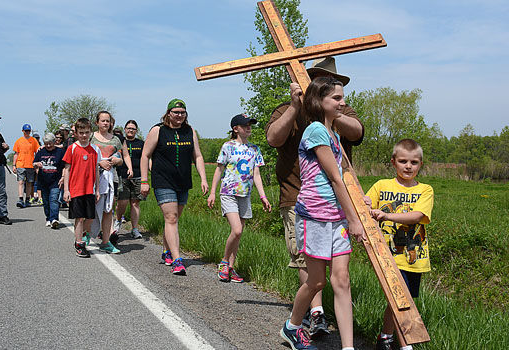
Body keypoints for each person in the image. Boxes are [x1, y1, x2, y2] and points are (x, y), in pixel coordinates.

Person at [265, 56, 364, 335]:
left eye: (333, 83)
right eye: (318, 78)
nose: (328, 85)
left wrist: (331, 112)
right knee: (308, 266)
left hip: (337, 201)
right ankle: (315, 314)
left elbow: (356, 133)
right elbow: (273, 138)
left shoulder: (339, 110)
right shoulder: (289, 109)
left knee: (336, 273)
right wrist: (297, 107)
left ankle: (330, 329)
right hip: (300, 198)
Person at [363, 139, 433, 350]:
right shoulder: (381, 186)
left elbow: (417, 216)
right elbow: (365, 204)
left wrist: (386, 215)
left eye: (413, 162)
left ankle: (385, 336)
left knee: (404, 299)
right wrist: (366, 204)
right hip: (387, 254)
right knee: (399, 299)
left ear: (421, 164)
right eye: (403, 161)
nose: (408, 166)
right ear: (393, 162)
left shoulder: (425, 190)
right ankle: (405, 344)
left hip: (413, 255)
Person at [140, 98, 208, 275]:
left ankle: (166, 250)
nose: (179, 115)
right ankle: (178, 260)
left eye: (182, 112)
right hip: (163, 180)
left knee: (174, 219)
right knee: (171, 218)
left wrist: (203, 179)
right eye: (176, 112)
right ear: (168, 113)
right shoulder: (158, 130)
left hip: (183, 181)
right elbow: (145, 156)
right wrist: (144, 181)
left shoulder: (189, 131)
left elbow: (198, 156)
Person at [207, 113, 271, 283]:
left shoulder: (255, 149)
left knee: (239, 234)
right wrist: (213, 192)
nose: (249, 127)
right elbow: (219, 170)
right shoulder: (227, 147)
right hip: (228, 193)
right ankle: (224, 263)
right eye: (245, 125)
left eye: (250, 124)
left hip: (245, 195)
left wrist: (263, 196)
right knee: (236, 230)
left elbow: (256, 174)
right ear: (235, 129)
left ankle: (231, 267)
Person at [88, 111, 132, 254]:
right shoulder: (90, 137)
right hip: (92, 177)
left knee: (108, 210)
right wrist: (98, 162)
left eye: (108, 121)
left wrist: (118, 161)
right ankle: (86, 233)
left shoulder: (116, 139)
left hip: (111, 178)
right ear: (97, 122)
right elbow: (84, 154)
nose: (105, 123)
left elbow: (123, 156)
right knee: (90, 208)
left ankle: (105, 241)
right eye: (103, 121)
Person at [62, 117, 101, 258]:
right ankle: (79, 243)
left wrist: (97, 189)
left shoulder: (95, 149)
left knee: (90, 218)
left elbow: (96, 170)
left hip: (90, 189)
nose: (84, 135)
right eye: (81, 132)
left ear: (91, 132)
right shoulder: (72, 149)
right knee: (79, 218)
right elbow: (67, 169)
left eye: (86, 132)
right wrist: (66, 190)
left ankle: (82, 233)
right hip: (76, 189)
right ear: (76, 133)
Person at [114, 120, 146, 239]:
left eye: (133, 128)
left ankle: (135, 228)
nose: (130, 130)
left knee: (135, 202)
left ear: (136, 130)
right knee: (122, 202)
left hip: (138, 176)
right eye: (128, 128)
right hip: (122, 175)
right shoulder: (120, 142)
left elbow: (146, 159)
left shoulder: (141, 143)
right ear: (124, 129)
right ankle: (117, 221)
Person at [33, 133, 65, 229]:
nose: (48, 146)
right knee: (46, 201)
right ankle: (48, 218)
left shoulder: (60, 152)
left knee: (54, 199)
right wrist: (36, 165)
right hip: (43, 181)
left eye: (50, 143)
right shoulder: (41, 152)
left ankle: (54, 219)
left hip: (55, 180)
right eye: (46, 143)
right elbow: (34, 163)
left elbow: (64, 166)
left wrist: (63, 177)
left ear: (54, 142)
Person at [12, 123, 40, 208]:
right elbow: (16, 154)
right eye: (25, 131)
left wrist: (37, 164)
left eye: (28, 131)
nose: (27, 132)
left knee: (29, 182)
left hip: (30, 164)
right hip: (20, 164)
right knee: (21, 182)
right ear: (22, 131)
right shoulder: (19, 141)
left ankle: (27, 199)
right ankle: (20, 199)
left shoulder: (33, 141)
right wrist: (14, 165)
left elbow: (37, 152)